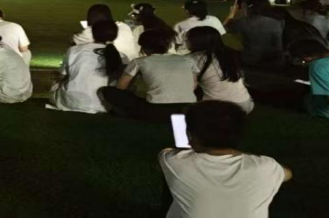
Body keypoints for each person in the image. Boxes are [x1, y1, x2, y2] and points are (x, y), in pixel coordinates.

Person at [159, 100, 291, 218]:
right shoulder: (266, 167)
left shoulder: (175, 162)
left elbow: (165, 152)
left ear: (194, 136)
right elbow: (287, 174)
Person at [100, 28, 196, 121]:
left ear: (144, 47)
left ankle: (121, 113)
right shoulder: (187, 60)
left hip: (155, 111)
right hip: (187, 110)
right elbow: (193, 85)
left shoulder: (139, 61)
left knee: (108, 91)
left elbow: (121, 87)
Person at [50, 21, 125, 114]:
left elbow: (61, 76)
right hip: (104, 105)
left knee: (57, 79)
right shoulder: (119, 55)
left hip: (71, 102)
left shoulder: (74, 49)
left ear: (92, 33)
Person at [187, 27, 253, 113]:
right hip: (245, 104)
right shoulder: (230, 54)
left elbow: (190, 87)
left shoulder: (195, 59)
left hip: (219, 109)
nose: (186, 42)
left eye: (188, 39)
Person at [223, 0, 285, 68]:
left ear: (250, 9)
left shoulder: (244, 22)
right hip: (275, 62)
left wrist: (231, 13)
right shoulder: (279, 22)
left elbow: (224, 28)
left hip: (251, 61)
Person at [72, 4, 140, 61]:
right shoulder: (124, 26)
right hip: (133, 64)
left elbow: (74, 41)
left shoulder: (91, 31)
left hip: (116, 65)